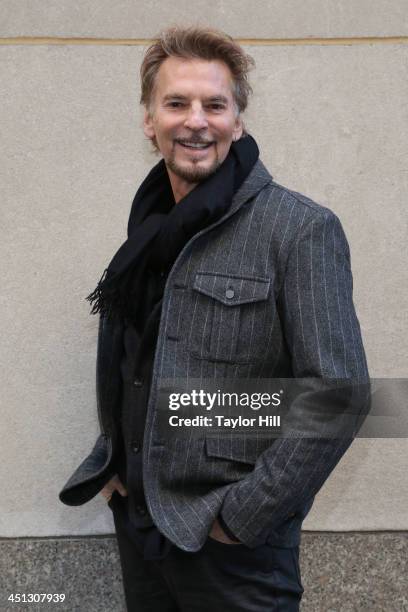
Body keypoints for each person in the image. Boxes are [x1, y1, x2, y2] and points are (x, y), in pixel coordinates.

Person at [59, 25, 370, 611]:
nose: (195, 120)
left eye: (214, 104)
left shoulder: (299, 229)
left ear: (238, 120)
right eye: (176, 103)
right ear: (150, 121)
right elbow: (137, 366)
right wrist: (118, 471)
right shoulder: (145, 235)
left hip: (232, 551)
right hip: (141, 527)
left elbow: (340, 395)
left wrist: (242, 517)